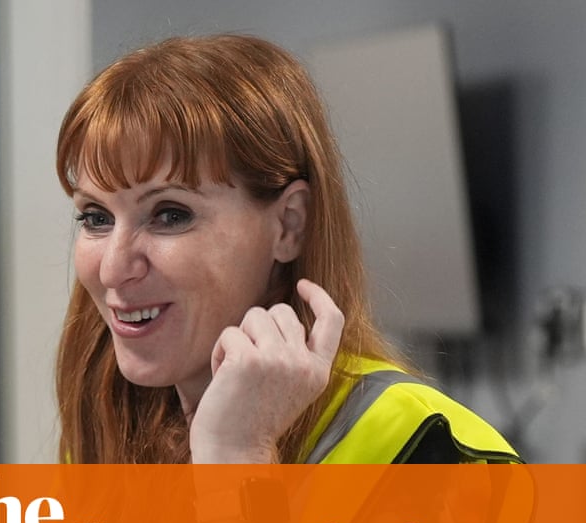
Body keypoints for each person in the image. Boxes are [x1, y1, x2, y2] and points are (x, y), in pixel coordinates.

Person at [54, 34, 520, 466]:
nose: (113, 269)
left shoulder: (433, 449)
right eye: (96, 217)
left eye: (170, 215)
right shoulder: (109, 434)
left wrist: (238, 455)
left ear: (288, 225)